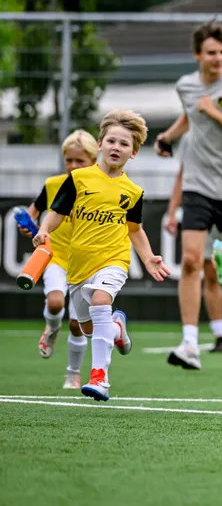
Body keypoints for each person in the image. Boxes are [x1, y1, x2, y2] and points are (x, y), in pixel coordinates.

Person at [33, 110, 170, 400]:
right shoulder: (79, 179)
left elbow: (134, 230)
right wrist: (44, 230)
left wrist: (148, 258)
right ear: (101, 144)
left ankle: (99, 377)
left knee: (100, 300)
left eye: (124, 144)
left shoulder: (132, 191)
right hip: (79, 266)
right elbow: (56, 213)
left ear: (133, 153)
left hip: (113, 260)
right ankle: (117, 328)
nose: (116, 147)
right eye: (112, 141)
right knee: (86, 326)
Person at [154, 20, 222, 371]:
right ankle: (189, 343)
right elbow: (190, 115)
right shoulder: (185, 85)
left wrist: (215, 111)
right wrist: (168, 137)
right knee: (190, 260)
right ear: (197, 54)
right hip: (197, 185)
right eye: (211, 53)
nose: (218, 58)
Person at [18, 130, 98, 389]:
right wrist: (28, 223)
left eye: (80, 161)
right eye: (69, 161)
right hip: (56, 256)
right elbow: (35, 210)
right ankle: (51, 329)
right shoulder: (53, 184)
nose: (73, 166)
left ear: (93, 161)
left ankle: (73, 372)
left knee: (77, 324)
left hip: (85, 263)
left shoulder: (98, 188)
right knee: (54, 303)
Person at [163, 143, 222, 354]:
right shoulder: (193, 142)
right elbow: (181, 177)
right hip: (202, 211)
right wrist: (172, 211)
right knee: (201, 267)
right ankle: (218, 334)